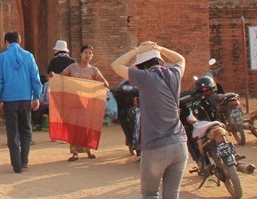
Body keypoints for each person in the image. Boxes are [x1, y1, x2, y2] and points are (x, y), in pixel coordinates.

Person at [112, 41, 187, 199]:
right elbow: (181, 59)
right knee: (172, 196)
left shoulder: (145, 77)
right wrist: (160, 48)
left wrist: (136, 50)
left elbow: (116, 65)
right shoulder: (174, 74)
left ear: (143, 66)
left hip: (155, 146)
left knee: (150, 195)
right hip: (179, 144)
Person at [0, 30, 42, 173]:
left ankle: (16, 164)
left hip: (9, 98)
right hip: (26, 97)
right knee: (25, 129)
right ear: (19, 42)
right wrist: (36, 96)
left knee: (12, 131)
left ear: (6, 42)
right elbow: (35, 77)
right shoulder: (28, 56)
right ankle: (24, 161)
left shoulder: (2, 57)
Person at [61, 44, 110, 160]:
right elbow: (61, 77)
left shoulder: (94, 70)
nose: (88, 55)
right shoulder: (72, 67)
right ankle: (74, 152)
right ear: (80, 54)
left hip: (88, 104)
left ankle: (89, 149)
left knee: (87, 127)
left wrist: (104, 84)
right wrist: (54, 77)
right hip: (73, 103)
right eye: (86, 52)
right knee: (73, 127)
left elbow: (104, 81)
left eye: (90, 53)